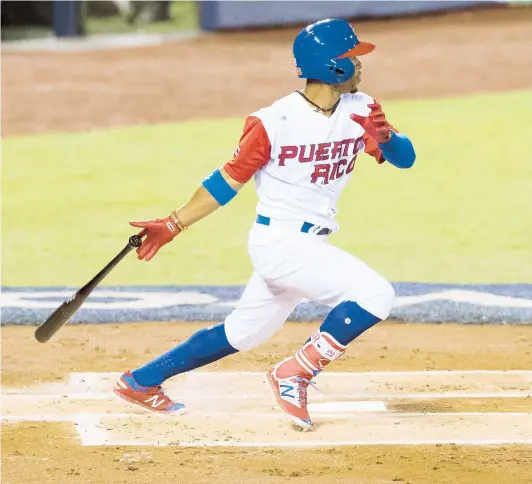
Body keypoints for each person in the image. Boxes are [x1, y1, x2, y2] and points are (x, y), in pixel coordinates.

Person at [114, 18, 416, 429]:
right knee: (376, 294)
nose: (359, 65)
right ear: (331, 66)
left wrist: (388, 138)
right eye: (352, 57)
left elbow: (405, 159)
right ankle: (294, 372)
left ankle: (141, 380)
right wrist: (173, 223)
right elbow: (225, 182)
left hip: (308, 247)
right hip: (280, 244)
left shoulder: (361, 110)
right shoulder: (274, 121)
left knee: (243, 333)